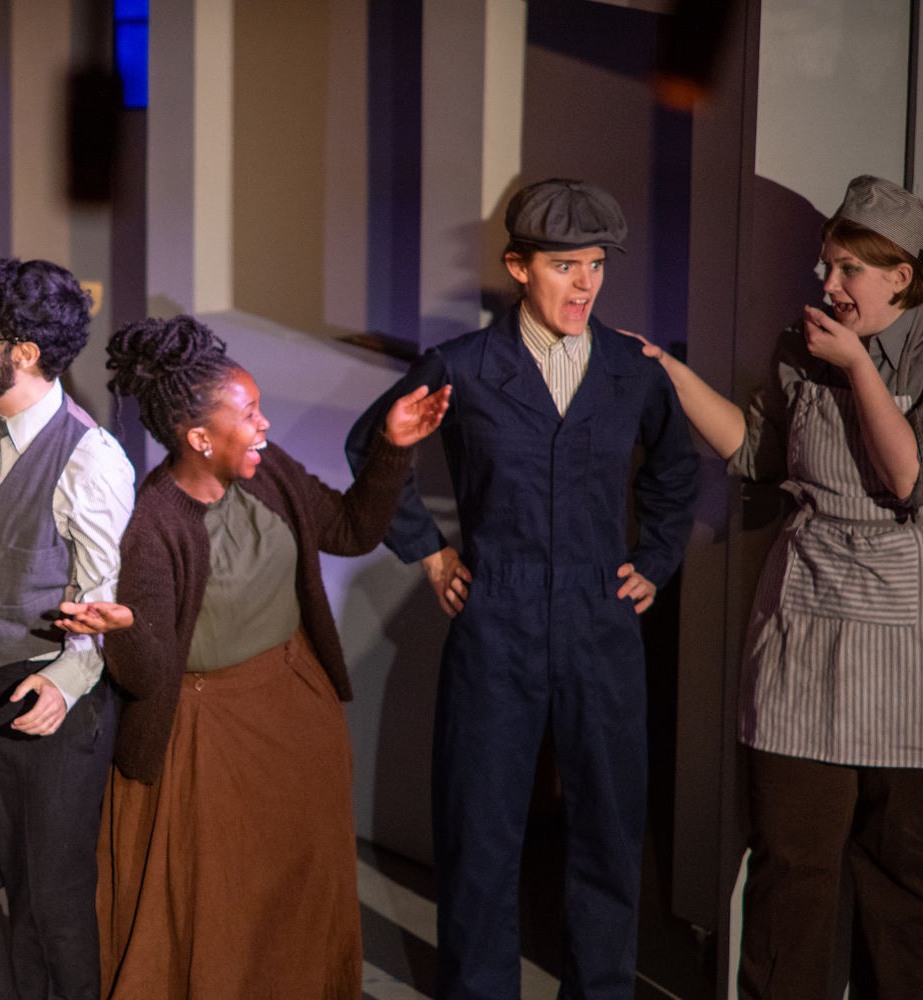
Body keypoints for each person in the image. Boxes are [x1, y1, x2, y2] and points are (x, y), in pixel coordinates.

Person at [345, 178, 698, 999]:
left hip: (598, 618)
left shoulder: (630, 371)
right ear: (518, 266)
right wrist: (430, 555)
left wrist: (655, 562)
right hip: (496, 614)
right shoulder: (464, 367)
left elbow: (676, 476)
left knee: (608, 832)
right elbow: (375, 448)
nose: (585, 284)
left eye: (597, 265)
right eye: (565, 265)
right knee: (481, 833)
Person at [56, 314, 450, 999]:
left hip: (297, 720)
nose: (265, 424)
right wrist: (122, 626)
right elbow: (149, 677)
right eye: (249, 413)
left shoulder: (272, 477)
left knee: (296, 899)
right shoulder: (154, 524)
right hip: (212, 745)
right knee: (227, 914)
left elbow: (353, 529)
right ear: (198, 437)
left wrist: (392, 447)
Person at [628, 174, 923, 999]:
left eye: (848, 271)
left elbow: (907, 480)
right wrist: (671, 375)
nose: (827, 286)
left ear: (899, 274)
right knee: (791, 870)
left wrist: (859, 366)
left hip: (904, 635)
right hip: (804, 624)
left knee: (900, 885)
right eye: (825, 266)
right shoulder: (801, 348)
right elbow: (757, 456)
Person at [0, 253, 136, 1000]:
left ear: (24, 353)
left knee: (52, 912)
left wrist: (69, 678)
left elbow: (104, 604)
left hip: (47, 702)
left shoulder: (90, 459)